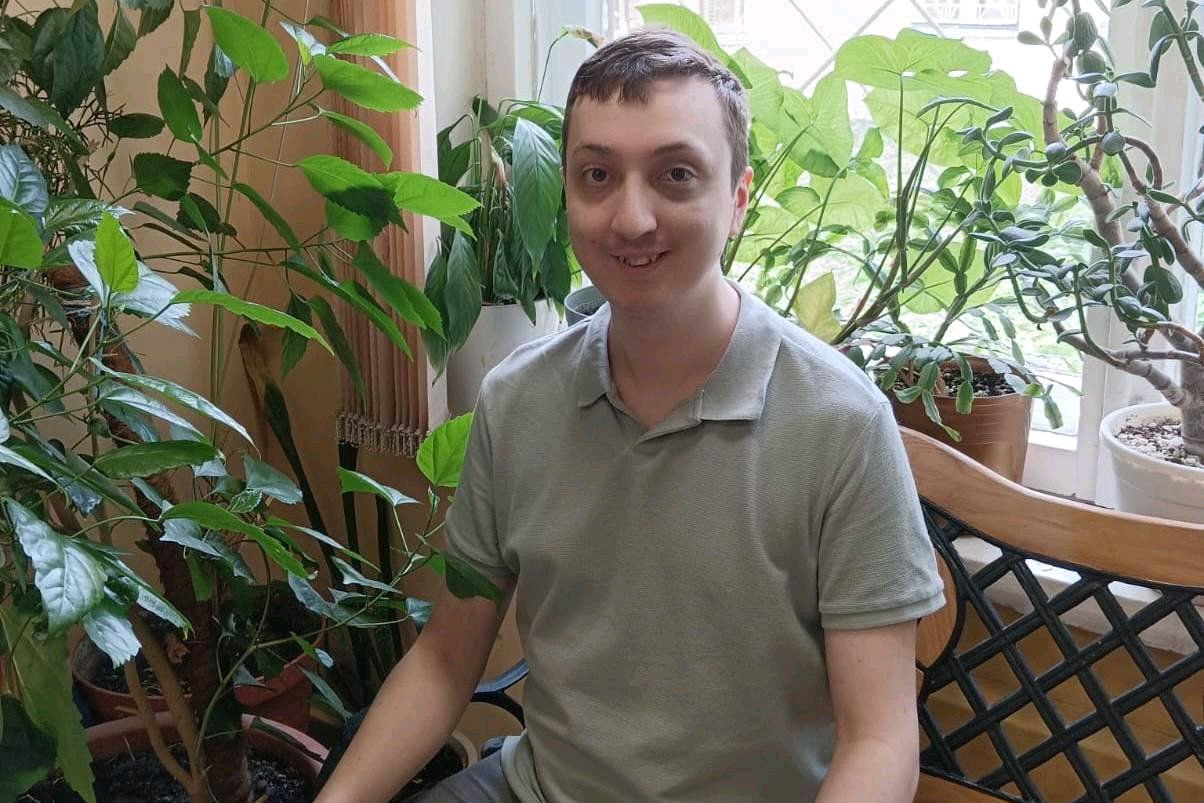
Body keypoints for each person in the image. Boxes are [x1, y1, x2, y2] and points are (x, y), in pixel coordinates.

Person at [316, 28, 944, 803]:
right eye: (598, 176)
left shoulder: (841, 426)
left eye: (676, 174)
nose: (632, 218)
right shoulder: (518, 402)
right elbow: (446, 659)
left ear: (737, 199)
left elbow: (880, 740)